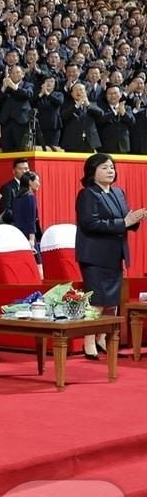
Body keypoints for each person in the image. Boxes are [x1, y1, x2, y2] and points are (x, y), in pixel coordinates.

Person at [75, 153, 145, 359]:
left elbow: (125, 218)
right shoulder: (88, 194)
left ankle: (103, 339)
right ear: (92, 172)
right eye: (104, 167)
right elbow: (90, 224)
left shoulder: (118, 192)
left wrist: (135, 219)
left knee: (112, 301)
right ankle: (88, 342)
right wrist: (124, 222)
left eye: (112, 167)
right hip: (95, 255)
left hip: (115, 254)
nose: (110, 171)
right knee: (97, 299)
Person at [0, 158, 31, 222]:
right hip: (14, 226)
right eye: (20, 169)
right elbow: (5, 211)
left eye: (26, 169)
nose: (24, 171)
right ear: (14, 171)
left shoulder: (30, 187)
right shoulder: (7, 188)